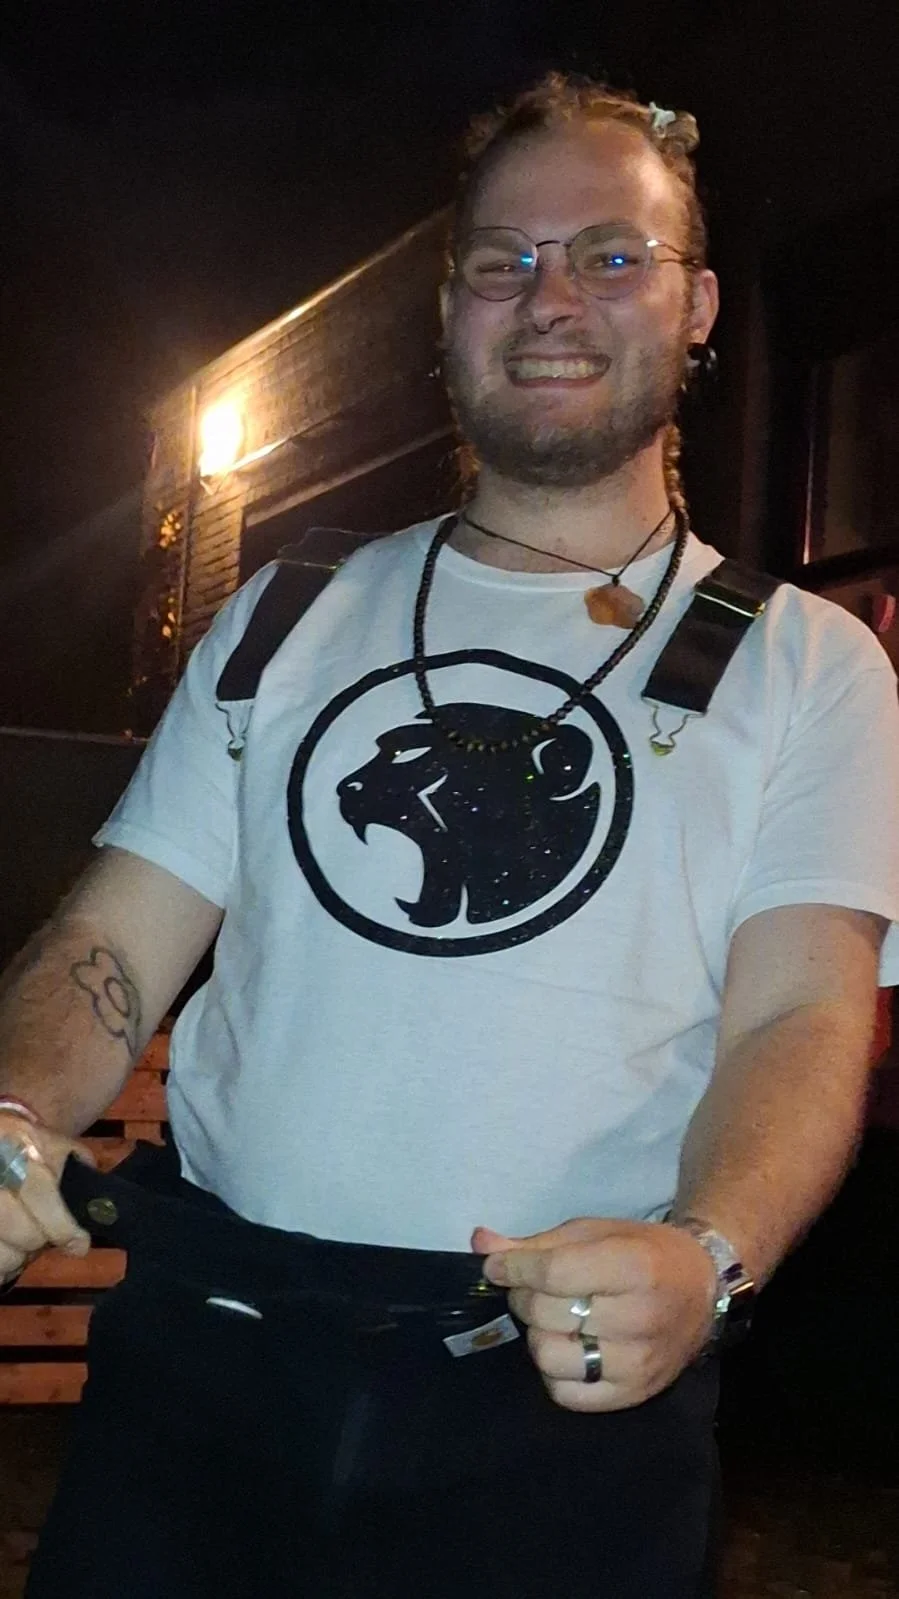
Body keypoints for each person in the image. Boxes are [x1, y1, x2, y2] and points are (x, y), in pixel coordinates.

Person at [1, 72, 898, 1599]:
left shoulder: (800, 659)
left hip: (560, 1396)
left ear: (696, 306)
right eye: (503, 259)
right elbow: (111, 938)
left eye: (610, 255)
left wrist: (708, 1252)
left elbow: (801, 1015)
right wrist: (14, 1103)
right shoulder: (286, 608)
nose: (549, 297)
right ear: (449, 307)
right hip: (208, 1370)